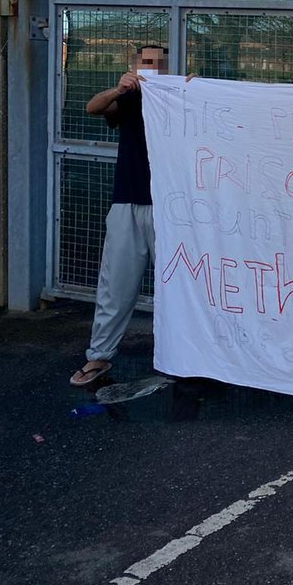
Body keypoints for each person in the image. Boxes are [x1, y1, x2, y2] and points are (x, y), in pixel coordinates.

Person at [70, 45, 169, 386]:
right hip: (127, 203)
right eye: (147, 62)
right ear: (135, 66)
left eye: (159, 64)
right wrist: (120, 87)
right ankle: (98, 357)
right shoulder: (129, 99)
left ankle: (184, 358)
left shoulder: (177, 99)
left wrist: (194, 88)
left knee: (177, 288)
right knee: (116, 286)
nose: (152, 68)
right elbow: (93, 107)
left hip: (170, 208)